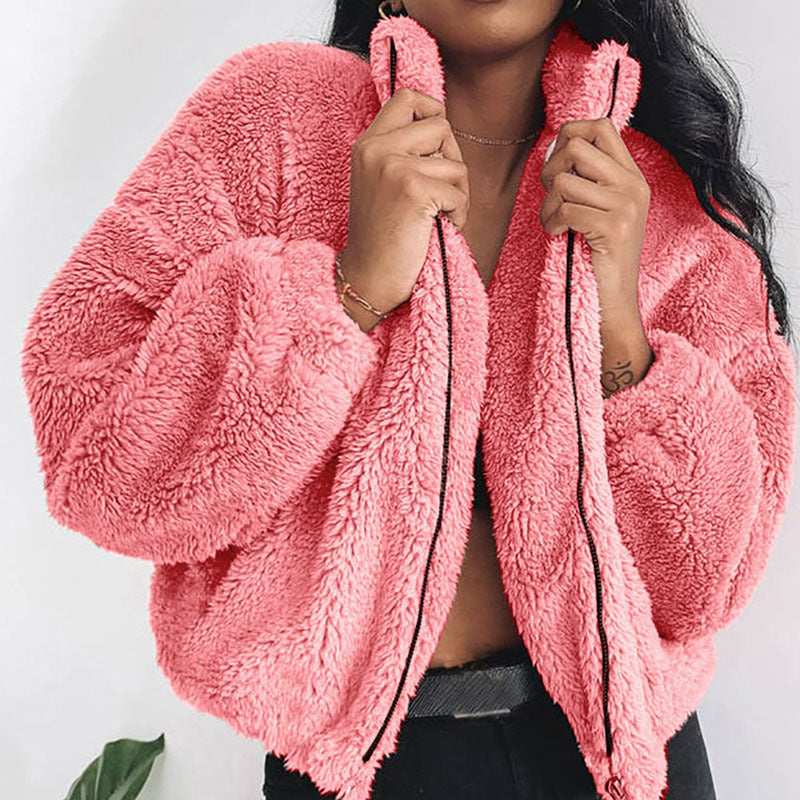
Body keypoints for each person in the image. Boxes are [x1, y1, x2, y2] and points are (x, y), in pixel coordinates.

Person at [20, 1, 796, 799]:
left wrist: (620, 333)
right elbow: (93, 454)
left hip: (617, 763)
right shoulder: (273, 119)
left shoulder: (657, 190)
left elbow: (708, 584)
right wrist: (350, 288)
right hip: (357, 770)